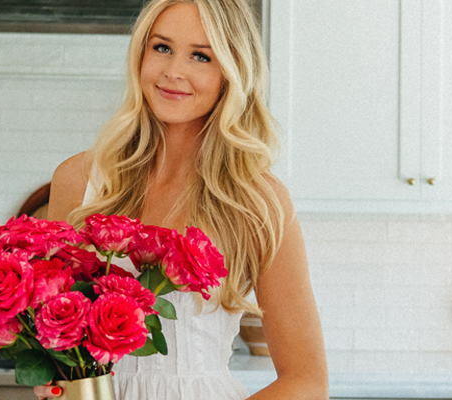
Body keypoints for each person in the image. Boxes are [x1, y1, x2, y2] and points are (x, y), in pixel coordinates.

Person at [39, 0, 328, 398]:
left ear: (230, 71)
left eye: (200, 56)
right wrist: (57, 383)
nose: (174, 71)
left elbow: (307, 381)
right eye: (161, 47)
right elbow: (59, 343)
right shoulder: (78, 180)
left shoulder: (258, 202)